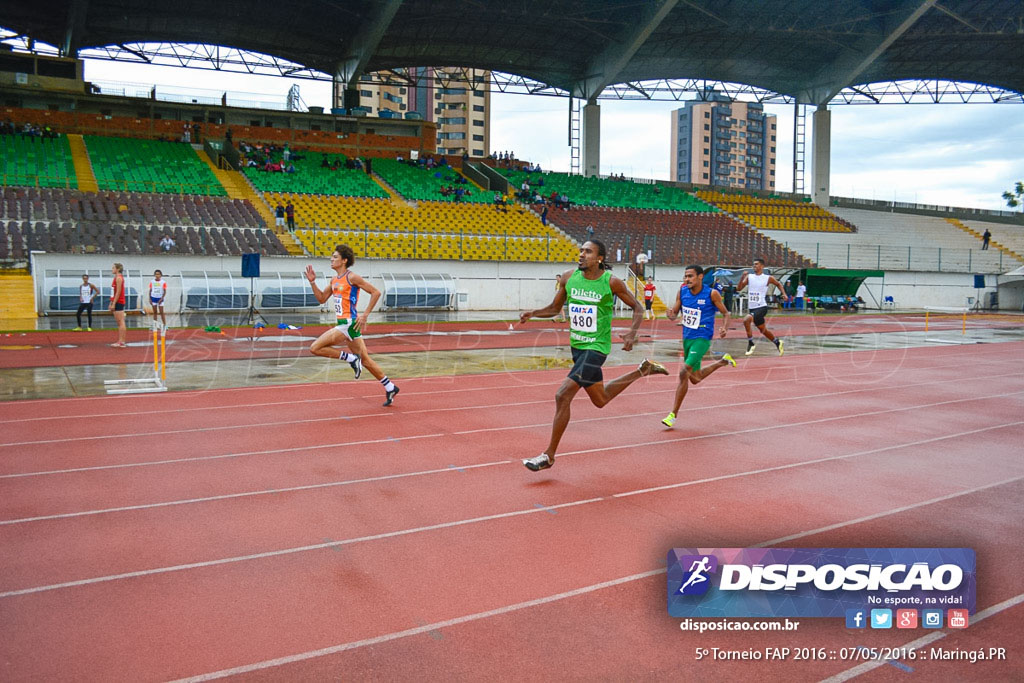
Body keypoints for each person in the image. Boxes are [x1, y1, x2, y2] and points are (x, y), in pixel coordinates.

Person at [519, 240, 668, 471]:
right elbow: (554, 308)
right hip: (577, 348)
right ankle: (643, 370)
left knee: (562, 395)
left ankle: (549, 455)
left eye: (588, 252)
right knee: (601, 400)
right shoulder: (569, 278)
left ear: (599, 258)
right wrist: (533, 313)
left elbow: (638, 307)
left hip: (596, 348)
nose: (581, 255)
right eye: (580, 251)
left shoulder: (611, 282)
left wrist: (632, 333)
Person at [305, 245, 400, 407]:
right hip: (348, 326)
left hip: (348, 324)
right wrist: (313, 283)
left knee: (315, 348)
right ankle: (390, 386)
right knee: (366, 361)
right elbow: (321, 298)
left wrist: (365, 315)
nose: (331, 259)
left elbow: (375, 292)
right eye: (332, 256)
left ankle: (350, 358)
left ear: (344, 260)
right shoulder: (334, 280)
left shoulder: (352, 277)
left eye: (335, 257)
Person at [661, 264, 736, 428]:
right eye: (685, 276)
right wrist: (670, 314)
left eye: (690, 276)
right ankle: (723, 361)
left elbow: (726, 313)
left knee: (683, 372)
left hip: (702, 338)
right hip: (687, 338)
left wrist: (724, 327)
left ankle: (672, 415)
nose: (687, 279)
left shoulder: (711, 293)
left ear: (700, 277)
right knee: (695, 378)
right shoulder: (682, 292)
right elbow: (674, 315)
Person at [737, 258, 784, 356]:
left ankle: (751, 343)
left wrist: (784, 294)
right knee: (763, 330)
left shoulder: (768, 278)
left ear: (762, 266)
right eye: (753, 264)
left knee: (746, 320)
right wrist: (742, 277)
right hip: (752, 307)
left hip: (762, 307)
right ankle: (777, 342)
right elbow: (739, 288)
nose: (754, 266)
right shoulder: (749, 277)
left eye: (757, 264)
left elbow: (778, 284)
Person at [109, 262, 127, 348]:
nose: (112, 269)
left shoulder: (119, 278)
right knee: (119, 322)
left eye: (113, 268)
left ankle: (122, 341)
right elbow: (113, 291)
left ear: (118, 269)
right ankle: (120, 340)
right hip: (116, 301)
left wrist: (114, 303)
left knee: (121, 321)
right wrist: (111, 302)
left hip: (119, 301)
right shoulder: (115, 278)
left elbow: (118, 292)